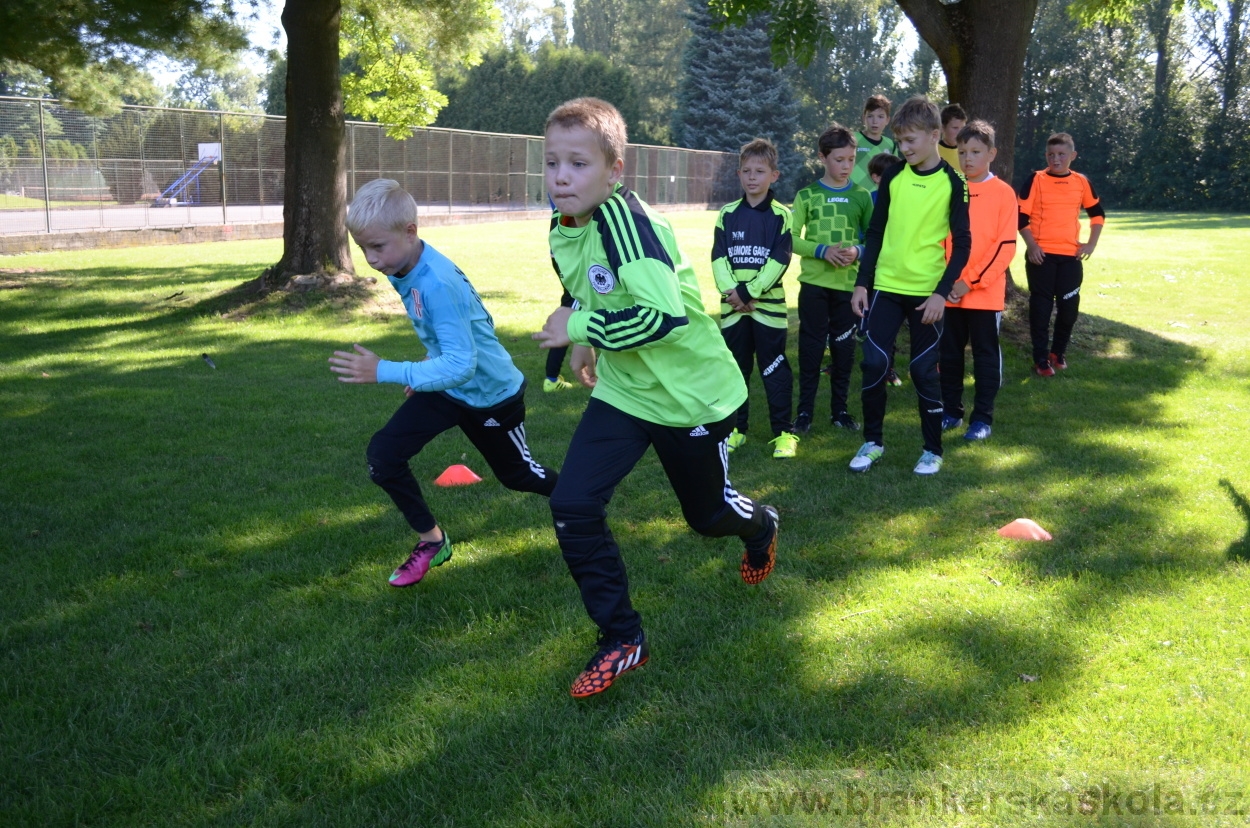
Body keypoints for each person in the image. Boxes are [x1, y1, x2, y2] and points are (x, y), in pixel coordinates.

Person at [534, 97, 780, 698]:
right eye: (552, 163)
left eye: (578, 164)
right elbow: (583, 290)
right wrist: (584, 339)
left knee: (707, 517)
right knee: (572, 503)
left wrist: (582, 330)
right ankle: (622, 637)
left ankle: (761, 525)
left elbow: (663, 317)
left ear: (615, 170)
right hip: (624, 393)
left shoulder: (628, 224)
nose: (561, 177)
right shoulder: (562, 223)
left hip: (690, 399)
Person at [329, 178, 558, 587]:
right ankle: (433, 542)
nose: (370, 259)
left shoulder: (436, 283)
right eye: (363, 248)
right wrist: (430, 371)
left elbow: (463, 364)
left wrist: (387, 370)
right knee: (383, 457)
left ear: (410, 231)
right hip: (450, 387)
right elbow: (460, 338)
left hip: (490, 396)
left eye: (377, 246)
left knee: (519, 476)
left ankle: (581, 497)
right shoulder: (406, 264)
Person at [850, 96, 971, 476]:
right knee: (873, 362)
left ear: (935, 135)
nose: (903, 149)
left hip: (927, 295)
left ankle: (932, 450)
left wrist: (941, 292)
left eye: (910, 141)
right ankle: (872, 442)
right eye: (899, 142)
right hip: (886, 286)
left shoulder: (954, 182)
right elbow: (876, 230)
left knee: (921, 370)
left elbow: (964, 243)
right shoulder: (892, 177)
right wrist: (861, 284)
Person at [711, 137, 798, 458]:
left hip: (768, 310)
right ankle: (736, 429)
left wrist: (749, 291)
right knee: (736, 370)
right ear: (738, 174)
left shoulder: (781, 215)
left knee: (774, 369)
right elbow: (718, 258)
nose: (752, 177)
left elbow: (780, 259)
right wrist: (732, 293)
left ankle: (784, 434)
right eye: (746, 171)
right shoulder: (727, 214)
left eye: (759, 171)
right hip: (733, 309)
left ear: (774, 175)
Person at [791, 124, 875, 435]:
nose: (846, 166)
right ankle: (804, 413)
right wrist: (823, 250)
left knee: (844, 352)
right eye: (839, 159)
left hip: (848, 290)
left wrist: (857, 250)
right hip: (813, 287)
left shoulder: (862, 196)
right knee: (811, 352)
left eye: (851, 159)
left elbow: (874, 240)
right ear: (822, 158)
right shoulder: (808, 195)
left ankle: (840, 411)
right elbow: (790, 238)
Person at [939, 120, 1018, 442]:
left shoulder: (1003, 193)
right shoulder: (950, 188)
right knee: (950, 354)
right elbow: (941, 239)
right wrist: (947, 283)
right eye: (962, 152)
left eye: (975, 152)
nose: (967, 158)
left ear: (991, 154)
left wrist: (969, 282)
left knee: (985, 355)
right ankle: (951, 412)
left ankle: (982, 418)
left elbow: (1005, 247)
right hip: (950, 293)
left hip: (983, 294)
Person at [1018, 132, 1106, 376]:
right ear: (1046, 155)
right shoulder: (1035, 179)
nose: (1055, 159)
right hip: (1041, 256)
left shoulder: (1081, 182)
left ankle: (1058, 352)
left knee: (1069, 310)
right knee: (1041, 310)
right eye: (1051, 155)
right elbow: (1020, 216)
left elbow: (1097, 214)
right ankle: (1040, 358)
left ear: (1072, 156)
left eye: (1061, 155)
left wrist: (1091, 244)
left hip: (1071, 257)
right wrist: (1032, 246)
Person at [866, 151, 904, 388]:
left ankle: (889, 367)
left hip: (894, 272)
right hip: (871, 270)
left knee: (890, 325)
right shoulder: (868, 198)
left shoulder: (903, 198)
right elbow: (866, 232)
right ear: (876, 177)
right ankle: (843, 362)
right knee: (861, 321)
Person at [851, 94, 900, 193]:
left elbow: (894, 174)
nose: (875, 121)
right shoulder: (851, 139)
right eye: (870, 116)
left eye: (880, 117)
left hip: (879, 199)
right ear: (864, 118)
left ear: (887, 120)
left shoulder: (890, 145)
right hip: (853, 197)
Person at [937, 103, 967, 168]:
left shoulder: (967, 152)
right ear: (942, 128)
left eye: (962, 128)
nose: (960, 132)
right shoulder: (934, 152)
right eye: (955, 128)